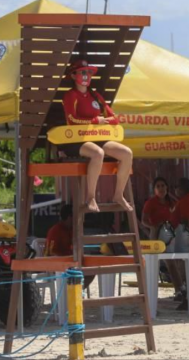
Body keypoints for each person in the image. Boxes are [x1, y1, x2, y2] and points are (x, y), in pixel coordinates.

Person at [60, 59, 133, 214]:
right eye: (82, 72)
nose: (86, 75)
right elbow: (72, 120)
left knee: (127, 154)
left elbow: (114, 118)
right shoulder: (70, 95)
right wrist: (95, 120)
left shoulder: (95, 96)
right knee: (97, 154)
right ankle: (91, 197)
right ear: (73, 76)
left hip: (98, 137)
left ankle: (119, 194)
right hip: (76, 140)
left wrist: (103, 121)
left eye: (89, 72)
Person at [168, 177, 189, 310]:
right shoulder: (188, 199)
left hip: (184, 240)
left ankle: (187, 299)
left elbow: (185, 220)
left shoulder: (186, 200)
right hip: (186, 238)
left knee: (184, 270)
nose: (175, 189)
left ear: (183, 188)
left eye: (177, 187)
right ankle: (187, 298)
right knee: (186, 270)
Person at [45, 204, 95, 288]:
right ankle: (73, 292)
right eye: (75, 218)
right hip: (58, 265)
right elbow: (50, 254)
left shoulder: (72, 230)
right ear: (69, 217)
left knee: (91, 270)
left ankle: (77, 291)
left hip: (71, 263)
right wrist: (66, 260)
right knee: (75, 271)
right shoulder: (55, 231)